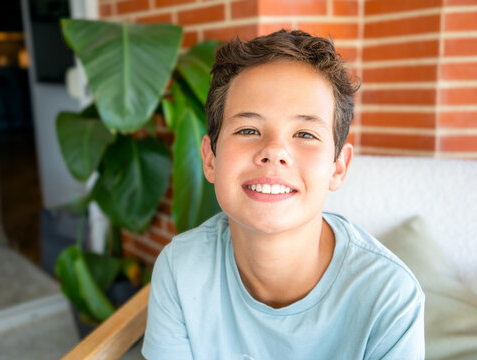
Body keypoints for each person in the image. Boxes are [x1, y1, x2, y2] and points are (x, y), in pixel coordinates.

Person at [142, 30, 424, 360]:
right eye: (248, 130)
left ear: (338, 168)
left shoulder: (390, 298)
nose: (274, 151)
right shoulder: (180, 268)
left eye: (305, 133)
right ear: (210, 158)